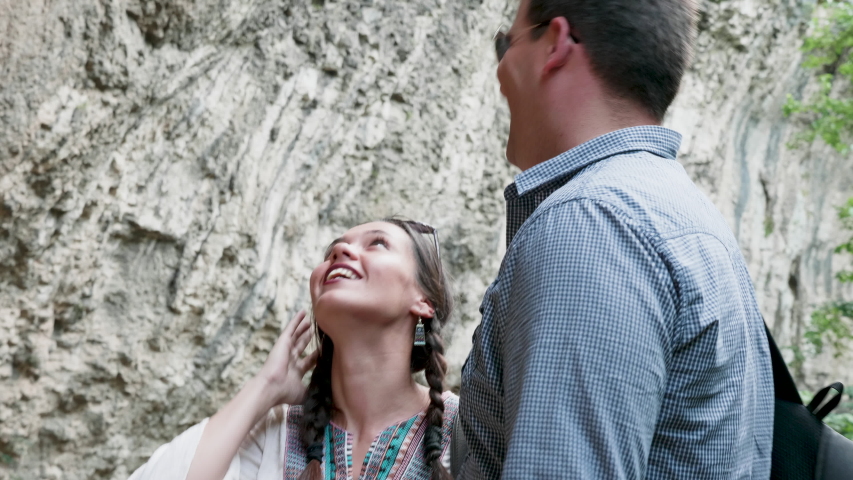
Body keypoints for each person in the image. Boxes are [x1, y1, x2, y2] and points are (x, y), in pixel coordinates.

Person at [456, 0, 774, 478]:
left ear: (556, 43)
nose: (500, 68)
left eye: (506, 43)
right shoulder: (686, 215)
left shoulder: (592, 220)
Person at [130, 218, 456, 480]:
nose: (340, 250)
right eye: (333, 249)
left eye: (378, 243)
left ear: (424, 301)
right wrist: (265, 387)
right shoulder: (277, 432)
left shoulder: (464, 426)